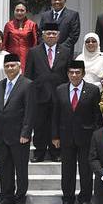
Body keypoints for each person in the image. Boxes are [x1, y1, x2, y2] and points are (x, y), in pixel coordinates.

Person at [56, 60, 103, 204]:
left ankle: (85, 199)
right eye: (71, 72)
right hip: (66, 136)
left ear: (83, 73)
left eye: (77, 72)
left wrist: (97, 137)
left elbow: (97, 116)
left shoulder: (93, 90)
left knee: (86, 170)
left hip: (87, 137)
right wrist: (55, 136)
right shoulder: (60, 90)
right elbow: (54, 115)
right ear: (67, 74)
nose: (74, 75)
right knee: (67, 170)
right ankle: (67, 199)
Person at [0, 54, 35, 204]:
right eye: (7, 66)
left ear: (19, 66)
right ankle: (6, 197)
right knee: (4, 168)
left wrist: (26, 133)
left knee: (21, 169)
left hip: (19, 135)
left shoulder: (27, 84)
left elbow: (30, 111)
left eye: (12, 66)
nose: (9, 68)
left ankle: (21, 198)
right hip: (2, 135)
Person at [27, 24, 71, 163]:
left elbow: (69, 74)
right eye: (48, 33)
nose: (51, 36)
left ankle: (56, 152)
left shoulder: (66, 51)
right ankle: (39, 152)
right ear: (43, 35)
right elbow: (29, 75)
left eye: (54, 33)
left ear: (58, 35)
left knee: (57, 123)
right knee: (39, 124)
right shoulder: (34, 52)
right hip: (39, 94)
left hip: (59, 94)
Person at [3, 1, 38, 66]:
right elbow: (4, 43)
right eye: (17, 10)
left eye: (22, 10)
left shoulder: (32, 25)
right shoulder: (8, 25)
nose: (19, 13)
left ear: (26, 12)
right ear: (14, 11)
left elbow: (35, 43)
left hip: (27, 55)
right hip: (12, 56)